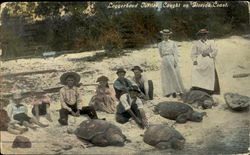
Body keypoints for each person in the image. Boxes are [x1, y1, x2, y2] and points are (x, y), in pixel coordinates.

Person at [191, 29, 220, 95]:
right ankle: (199, 87)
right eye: (202, 35)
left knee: (210, 70)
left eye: (205, 34)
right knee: (195, 70)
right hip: (199, 60)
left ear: (207, 35)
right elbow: (193, 53)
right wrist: (195, 60)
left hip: (208, 59)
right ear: (200, 36)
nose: (203, 36)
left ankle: (209, 89)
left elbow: (215, 51)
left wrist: (208, 54)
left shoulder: (211, 42)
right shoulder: (196, 43)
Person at [158, 29, 185, 98]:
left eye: (167, 35)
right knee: (166, 76)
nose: (166, 36)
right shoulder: (160, 44)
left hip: (171, 58)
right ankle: (168, 91)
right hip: (164, 59)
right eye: (164, 35)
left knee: (174, 74)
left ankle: (177, 91)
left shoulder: (173, 43)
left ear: (169, 36)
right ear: (162, 36)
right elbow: (160, 54)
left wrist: (175, 61)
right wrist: (164, 58)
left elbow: (176, 53)